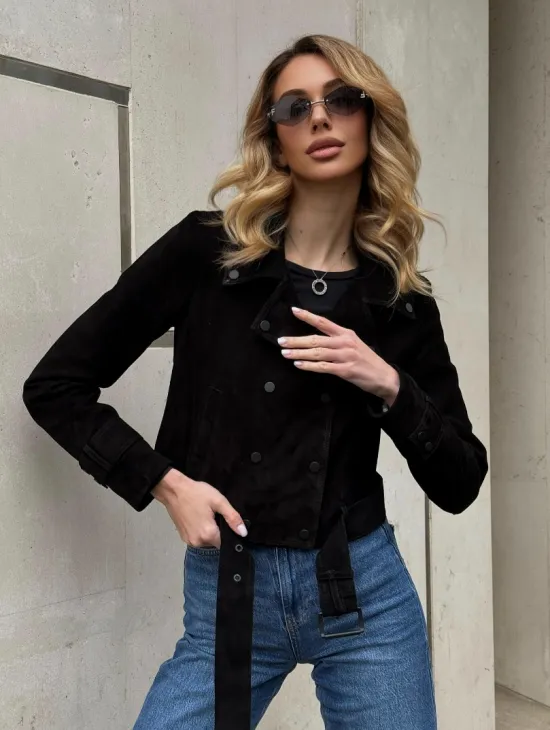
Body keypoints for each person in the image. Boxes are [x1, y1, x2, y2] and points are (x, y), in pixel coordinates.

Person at [22, 33, 488, 730]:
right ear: (275, 139)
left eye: (341, 99)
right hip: (231, 589)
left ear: (371, 117)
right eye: (295, 107)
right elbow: (56, 385)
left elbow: (462, 480)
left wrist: (389, 384)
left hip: (363, 594)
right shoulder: (207, 255)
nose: (320, 117)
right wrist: (164, 482)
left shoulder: (401, 302)